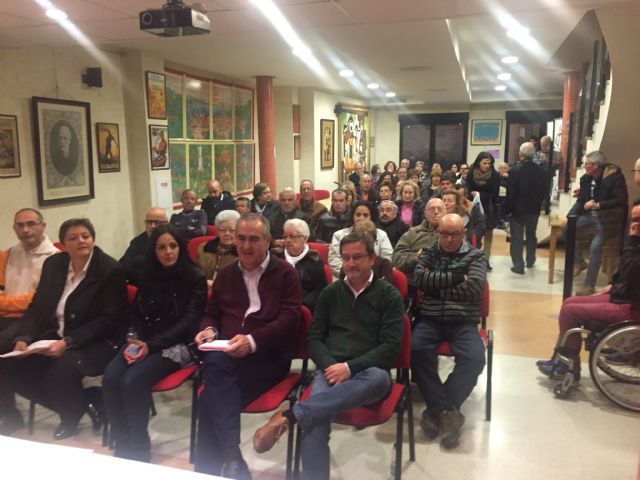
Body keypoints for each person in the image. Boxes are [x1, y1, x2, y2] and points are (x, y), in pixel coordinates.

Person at [252, 231, 404, 479]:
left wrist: (350, 368)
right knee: (315, 424)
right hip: (330, 369)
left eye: (358, 257)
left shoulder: (389, 295)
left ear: (373, 258)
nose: (351, 264)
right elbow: (314, 339)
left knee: (378, 378)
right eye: (346, 258)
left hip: (370, 373)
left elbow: (390, 348)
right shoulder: (330, 293)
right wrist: (331, 365)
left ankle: (291, 416)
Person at [193, 213, 302, 478]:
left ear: (267, 241)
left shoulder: (285, 274)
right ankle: (231, 462)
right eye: (241, 239)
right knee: (216, 368)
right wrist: (208, 330)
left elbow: (290, 320)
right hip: (227, 354)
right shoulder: (227, 274)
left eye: (254, 239)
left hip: (267, 359)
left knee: (210, 395)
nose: (245, 246)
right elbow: (211, 313)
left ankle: (214, 468)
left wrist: (252, 342)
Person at [0, 218, 127, 439]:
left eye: (85, 236)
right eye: (73, 238)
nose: (81, 241)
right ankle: (83, 401)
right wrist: (24, 337)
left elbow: (108, 320)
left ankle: (70, 417)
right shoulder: (54, 264)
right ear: (63, 244)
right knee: (10, 367)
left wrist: (68, 342)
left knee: (57, 376)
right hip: (53, 334)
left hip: (95, 341)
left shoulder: (110, 270)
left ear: (93, 239)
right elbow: (38, 307)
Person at [103, 224, 207, 462]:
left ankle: (139, 443)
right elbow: (137, 314)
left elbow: (189, 323)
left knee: (132, 380)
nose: (168, 252)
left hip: (178, 344)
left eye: (173, 246)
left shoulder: (195, 277)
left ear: (181, 248)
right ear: (154, 251)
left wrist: (150, 346)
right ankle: (122, 439)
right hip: (144, 340)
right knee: (110, 377)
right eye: (161, 247)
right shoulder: (148, 274)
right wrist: (133, 338)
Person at [537, 200, 640, 379]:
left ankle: (568, 367)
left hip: (632, 307)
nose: (634, 225)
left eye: (638, 220)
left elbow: (632, 270)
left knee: (571, 312)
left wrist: (632, 240)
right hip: (625, 297)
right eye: (633, 220)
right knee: (569, 302)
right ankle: (561, 360)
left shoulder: (635, 242)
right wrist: (614, 285)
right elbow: (627, 273)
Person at [411, 213, 487, 449]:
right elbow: (419, 280)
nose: (449, 239)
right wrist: (457, 279)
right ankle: (447, 412)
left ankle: (437, 410)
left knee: (475, 358)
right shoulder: (429, 252)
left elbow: (474, 288)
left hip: (463, 320)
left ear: (463, 233)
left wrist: (436, 286)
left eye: (455, 234)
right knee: (415, 349)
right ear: (438, 233)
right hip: (430, 319)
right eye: (444, 234)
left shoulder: (477, 255)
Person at [0, 208, 59, 430]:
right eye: (20, 225)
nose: (26, 230)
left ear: (42, 226)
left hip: (35, 321)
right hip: (7, 318)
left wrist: (5, 304)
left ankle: (10, 415)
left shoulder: (54, 259)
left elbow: (37, 301)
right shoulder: (9, 253)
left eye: (31, 224)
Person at [569, 151, 628, 295]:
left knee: (595, 248)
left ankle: (589, 284)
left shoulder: (615, 177)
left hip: (607, 219)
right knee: (568, 229)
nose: (584, 167)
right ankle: (579, 261)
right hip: (589, 216)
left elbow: (622, 200)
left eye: (587, 164)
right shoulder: (586, 179)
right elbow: (581, 201)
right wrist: (569, 216)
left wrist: (598, 205)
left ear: (596, 166)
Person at [506, 142, 549, 274]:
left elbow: (511, 193)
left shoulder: (514, 170)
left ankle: (518, 265)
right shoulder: (541, 171)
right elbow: (545, 191)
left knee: (517, 237)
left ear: (520, 154)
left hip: (518, 209)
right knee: (531, 235)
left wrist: (507, 209)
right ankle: (530, 260)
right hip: (534, 209)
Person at [272, 219, 327, 311]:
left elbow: (320, 290)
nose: (288, 240)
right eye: (285, 236)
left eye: (293, 236)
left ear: (305, 238)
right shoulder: (275, 257)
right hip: (276, 305)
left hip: (304, 307)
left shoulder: (314, 259)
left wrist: (301, 304)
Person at [328, 201, 393, 278]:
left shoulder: (381, 234)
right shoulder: (338, 235)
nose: (361, 218)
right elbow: (334, 261)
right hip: (344, 277)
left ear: (371, 217)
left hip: (375, 276)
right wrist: (352, 273)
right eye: (358, 215)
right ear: (353, 216)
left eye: (365, 215)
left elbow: (387, 257)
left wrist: (366, 275)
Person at [393, 198, 445, 285]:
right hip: (414, 282)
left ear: (445, 212)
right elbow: (397, 258)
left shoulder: (452, 232)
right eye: (432, 209)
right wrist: (416, 257)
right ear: (425, 213)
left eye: (440, 209)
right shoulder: (412, 233)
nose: (436, 212)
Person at [119, 207, 168, 286]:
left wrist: (137, 262)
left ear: (166, 224)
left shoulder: (173, 242)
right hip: (140, 286)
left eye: (157, 222)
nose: (152, 226)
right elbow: (123, 266)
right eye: (149, 222)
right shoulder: (137, 241)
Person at [466, 152, 500, 258]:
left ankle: (486, 260)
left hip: (489, 208)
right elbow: (468, 190)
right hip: (474, 208)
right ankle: (475, 258)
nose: (487, 166)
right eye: (484, 163)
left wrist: (480, 194)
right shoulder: (471, 173)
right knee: (475, 235)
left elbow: (494, 194)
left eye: (489, 163)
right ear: (478, 163)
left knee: (488, 237)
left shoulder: (495, 174)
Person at [196, 210, 240, 289]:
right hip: (203, 291)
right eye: (223, 230)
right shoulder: (204, 248)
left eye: (232, 230)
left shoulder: (243, 252)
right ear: (218, 231)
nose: (227, 233)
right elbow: (196, 274)